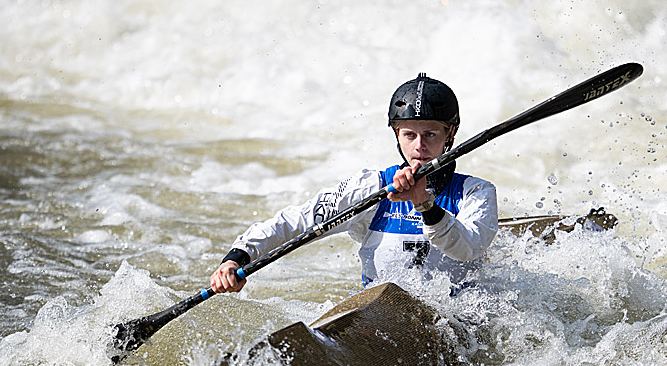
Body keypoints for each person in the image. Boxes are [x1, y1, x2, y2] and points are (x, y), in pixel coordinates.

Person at [209, 73, 498, 294]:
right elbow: (298, 221)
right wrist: (237, 257)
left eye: (431, 134)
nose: (419, 147)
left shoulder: (476, 193)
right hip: (380, 322)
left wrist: (424, 204)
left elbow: (467, 249)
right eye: (410, 135)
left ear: (451, 134)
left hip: (455, 322)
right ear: (396, 135)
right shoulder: (371, 188)